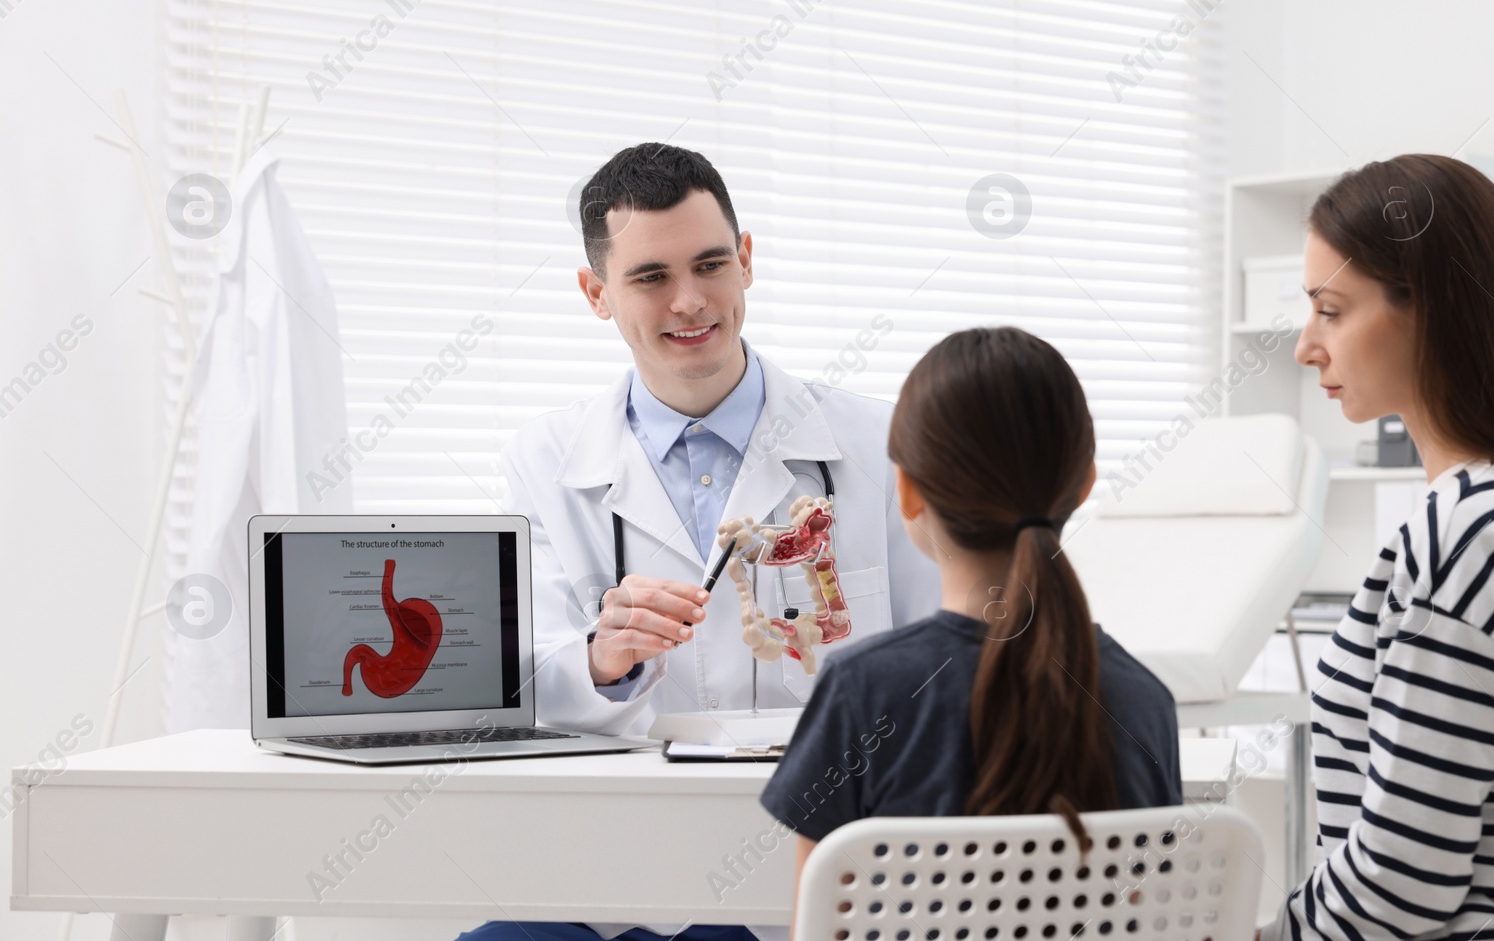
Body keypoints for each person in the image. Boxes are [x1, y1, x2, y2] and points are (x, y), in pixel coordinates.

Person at [457, 144, 939, 941]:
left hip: (818, 872)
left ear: (746, 261)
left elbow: (942, 662)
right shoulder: (544, 458)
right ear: (596, 293)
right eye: (650, 277)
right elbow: (521, 677)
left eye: (711, 263)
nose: (689, 301)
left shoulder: (883, 442)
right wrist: (602, 661)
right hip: (614, 874)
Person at [1261, 155, 1494, 940]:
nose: (1306, 346)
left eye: (1332, 311)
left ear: (1433, 312)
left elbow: (1403, 883)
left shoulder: (1468, 536)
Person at [759, 326, 1183, 919]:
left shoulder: (862, 691)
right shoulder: (1142, 701)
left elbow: (822, 922)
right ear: (1085, 486)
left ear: (906, 493)